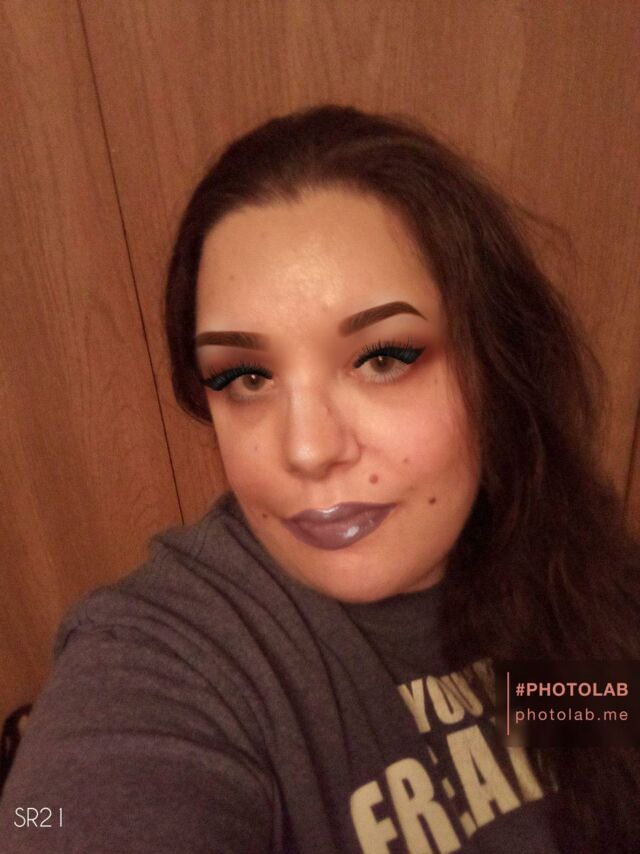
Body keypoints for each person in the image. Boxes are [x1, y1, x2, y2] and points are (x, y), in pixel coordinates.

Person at [1, 104, 638, 853]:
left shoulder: (560, 561)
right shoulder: (168, 660)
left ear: (496, 364)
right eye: (246, 377)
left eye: (383, 359)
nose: (306, 449)